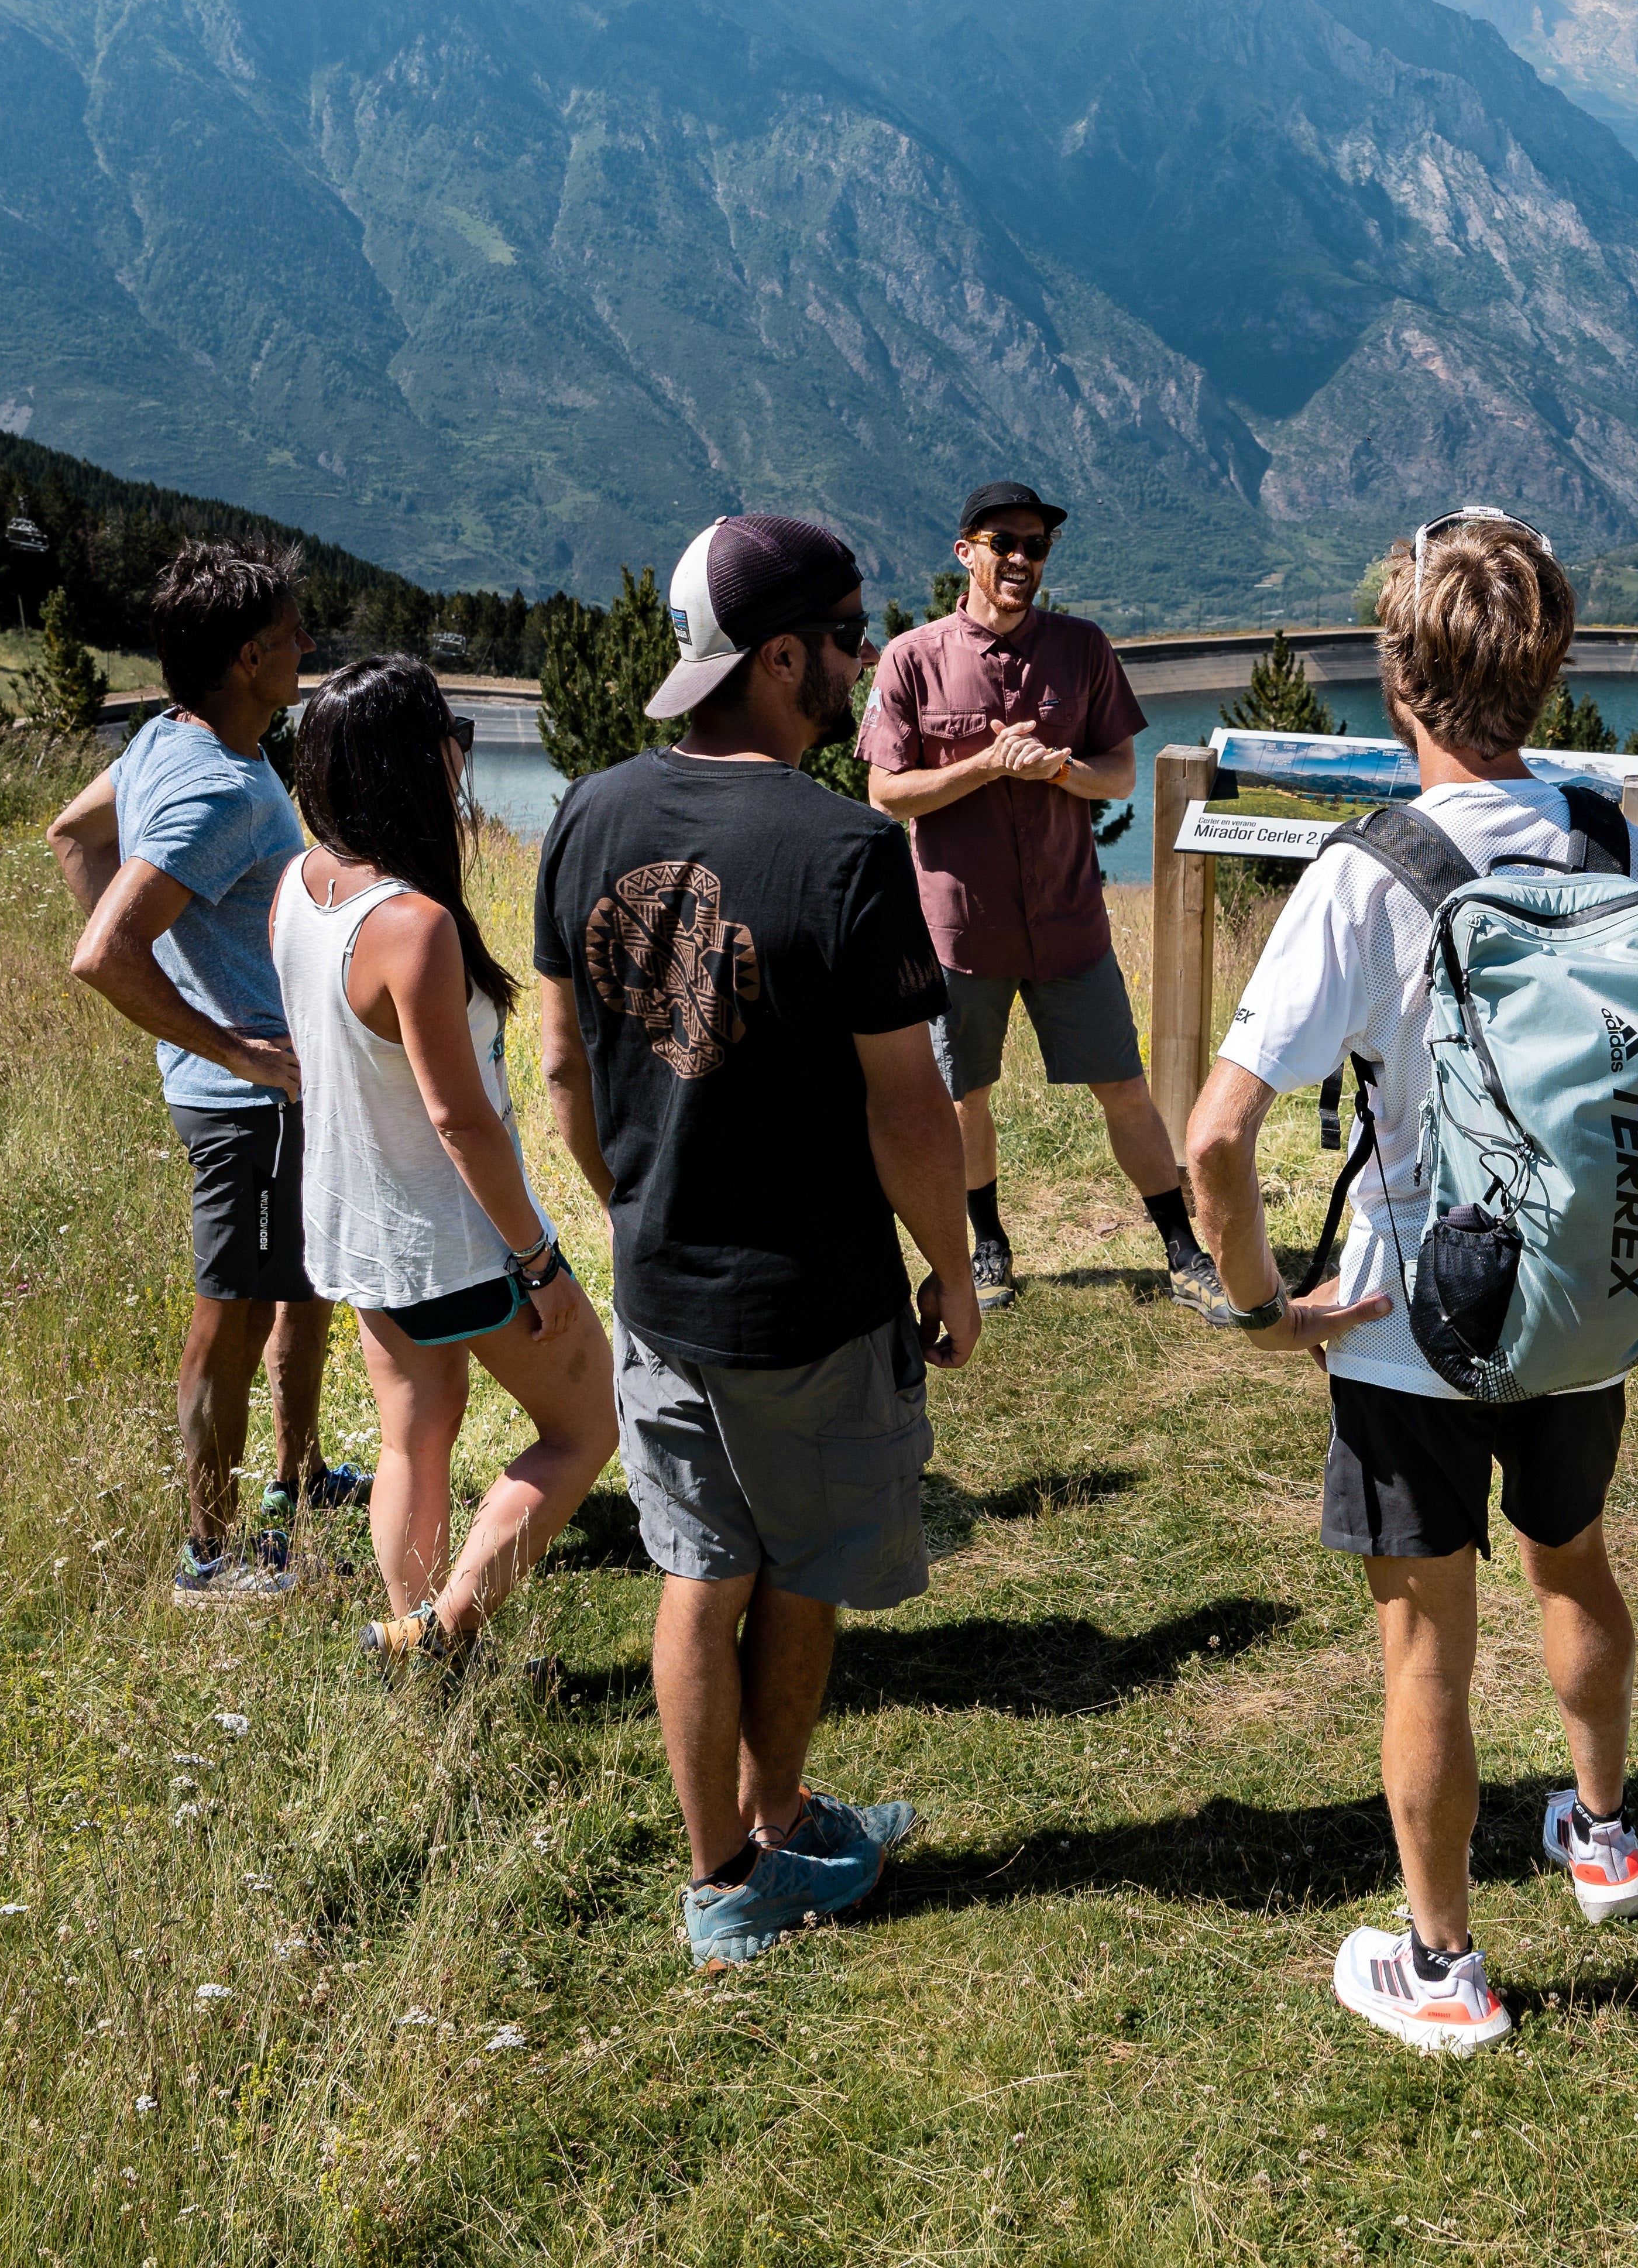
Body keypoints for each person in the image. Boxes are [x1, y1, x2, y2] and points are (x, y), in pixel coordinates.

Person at [1183, 509, 1638, 2056]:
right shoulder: (1610, 837)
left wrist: (1267, 1302)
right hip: (1577, 1299)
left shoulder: (1367, 873)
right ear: (1548, 670)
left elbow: (1216, 1138)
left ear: (1398, 681)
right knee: (1574, 1562)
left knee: (1426, 1643)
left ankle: (1443, 1962)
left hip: (1407, 1322)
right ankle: (1600, 1833)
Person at [535, 513, 981, 1970]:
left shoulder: (586, 812)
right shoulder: (850, 851)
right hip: (812, 1300)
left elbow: (557, 1066)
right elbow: (909, 1114)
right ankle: (777, 1827)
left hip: (660, 1285)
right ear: (781, 655)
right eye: (850, 636)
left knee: (695, 1566)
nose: (863, 659)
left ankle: (717, 1873)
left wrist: (631, 1200)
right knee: (801, 1565)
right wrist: (955, 1268)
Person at [275, 654, 620, 1672]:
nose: (459, 754)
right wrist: (541, 1264)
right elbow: (461, 1120)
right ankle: (442, 1629)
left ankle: (424, 1644)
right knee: (588, 1420)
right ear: (412, 763)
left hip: (360, 1232)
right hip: (456, 1245)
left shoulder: (299, 892)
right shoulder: (414, 927)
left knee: (410, 1438)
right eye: (448, 736)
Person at [47, 544, 362, 1604]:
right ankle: (209, 1558)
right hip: (248, 1099)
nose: (308, 646)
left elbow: (71, 834)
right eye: (291, 633)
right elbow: (101, 952)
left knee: (300, 1284)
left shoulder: (169, 739)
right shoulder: (220, 785)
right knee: (226, 1313)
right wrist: (228, 1044)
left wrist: (178, 996)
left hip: (266, 1091)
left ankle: (300, 1476)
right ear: (245, 657)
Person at [859, 481, 1222, 1319]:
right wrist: (986, 767)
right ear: (967, 552)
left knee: (1125, 1088)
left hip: (1069, 925)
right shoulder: (912, 658)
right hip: (959, 934)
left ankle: (1182, 1250)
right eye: (1006, 543)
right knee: (966, 1097)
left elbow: (1120, 774)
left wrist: (1056, 767)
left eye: (1038, 546)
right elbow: (886, 792)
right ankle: (987, 1245)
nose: (1023, 558)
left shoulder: (1084, 648)